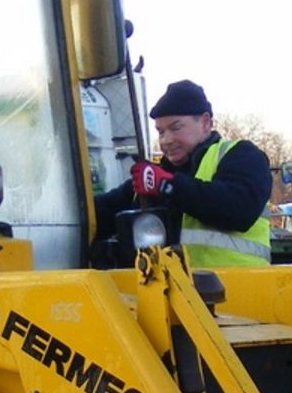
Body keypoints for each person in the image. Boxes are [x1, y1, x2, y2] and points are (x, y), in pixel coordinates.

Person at [94, 80, 272, 267]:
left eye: (176, 128)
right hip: (172, 291)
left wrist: (167, 185)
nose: (166, 140)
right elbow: (101, 214)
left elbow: (240, 209)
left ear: (205, 122)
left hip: (242, 288)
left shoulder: (242, 155)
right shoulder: (156, 176)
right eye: (160, 131)